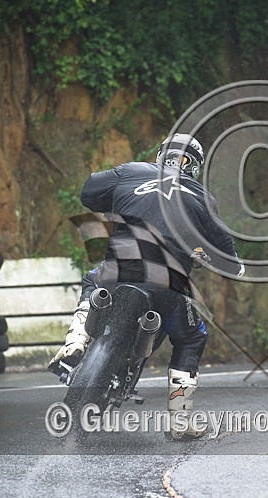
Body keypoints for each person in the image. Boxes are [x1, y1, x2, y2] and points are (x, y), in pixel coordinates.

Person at [49, 133, 242, 439]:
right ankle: (180, 421)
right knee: (192, 338)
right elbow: (230, 261)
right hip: (168, 286)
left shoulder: (131, 171)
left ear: (160, 156)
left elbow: (89, 192)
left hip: (117, 271)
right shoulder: (203, 198)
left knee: (92, 278)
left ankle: (76, 340)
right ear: (194, 166)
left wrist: (118, 201)